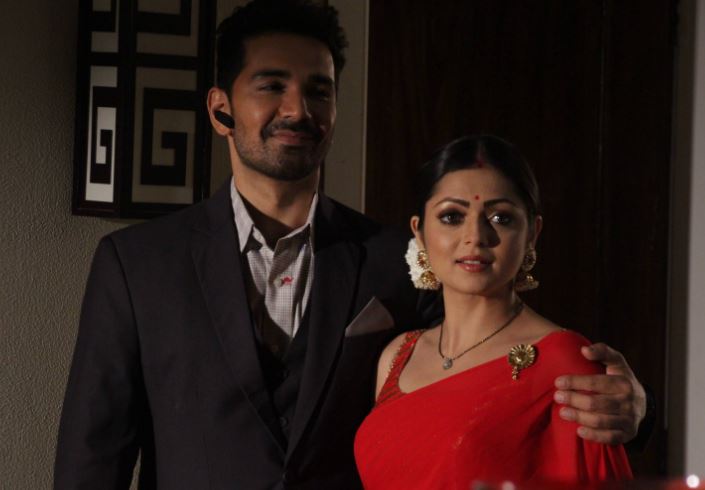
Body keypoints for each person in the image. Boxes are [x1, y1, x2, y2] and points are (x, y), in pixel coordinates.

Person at [55, 1, 648, 489]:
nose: (298, 109)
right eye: (272, 85)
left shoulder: (399, 260)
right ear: (220, 109)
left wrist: (633, 408)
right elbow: (92, 460)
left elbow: (493, 375)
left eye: (319, 90)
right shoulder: (136, 265)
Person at [354, 135, 634, 488]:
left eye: (501, 217)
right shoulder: (397, 355)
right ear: (420, 232)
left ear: (532, 233)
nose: (475, 236)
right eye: (452, 216)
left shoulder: (565, 360)